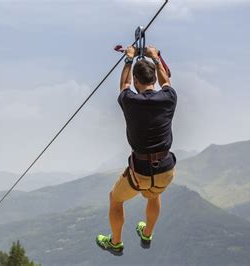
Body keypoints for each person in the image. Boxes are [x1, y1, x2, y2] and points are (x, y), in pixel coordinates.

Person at [96, 45, 177, 255]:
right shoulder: (169, 98)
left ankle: (115, 243)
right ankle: (147, 234)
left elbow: (124, 85)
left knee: (115, 199)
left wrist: (129, 59)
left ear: (137, 81)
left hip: (140, 171)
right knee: (153, 194)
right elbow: (166, 82)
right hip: (166, 170)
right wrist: (156, 57)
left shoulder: (130, 101)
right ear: (153, 80)